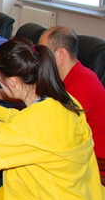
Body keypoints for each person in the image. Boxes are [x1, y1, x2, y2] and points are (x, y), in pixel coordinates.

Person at [0, 37, 105, 200]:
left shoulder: (33, 122)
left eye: (0, 80)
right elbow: (34, 126)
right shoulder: (64, 101)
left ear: (13, 82)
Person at [38, 25, 105, 159]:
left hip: (92, 161)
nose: (39, 58)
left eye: (43, 53)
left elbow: (55, 131)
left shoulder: (83, 85)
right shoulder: (61, 77)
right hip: (71, 150)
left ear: (61, 54)